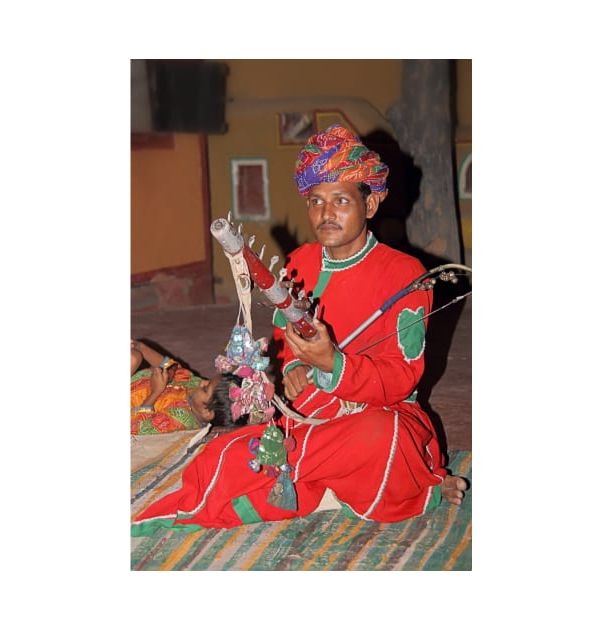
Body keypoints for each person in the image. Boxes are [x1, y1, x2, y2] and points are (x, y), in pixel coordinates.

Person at [131, 124, 466, 534]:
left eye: (341, 200)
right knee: (218, 457)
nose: (326, 214)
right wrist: (294, 369)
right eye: (315, 201)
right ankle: (317, 479)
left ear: (372, 203)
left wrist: (334, 365)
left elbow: (402, 378)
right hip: (309, 414)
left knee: (383, 439)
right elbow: (282, 342)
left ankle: (300, 475)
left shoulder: (405, 275)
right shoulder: (299, 263)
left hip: (376, 412)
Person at [131, 339, 247, 434]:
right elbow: (173, 368)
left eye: (206, 388)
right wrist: (140, 347)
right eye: (208, 381)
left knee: (133, 359)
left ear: (206, 413)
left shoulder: (181, 422)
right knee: (134, 356)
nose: (203, 382)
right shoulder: (194, 389)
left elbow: (138, 427)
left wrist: (155, 392)